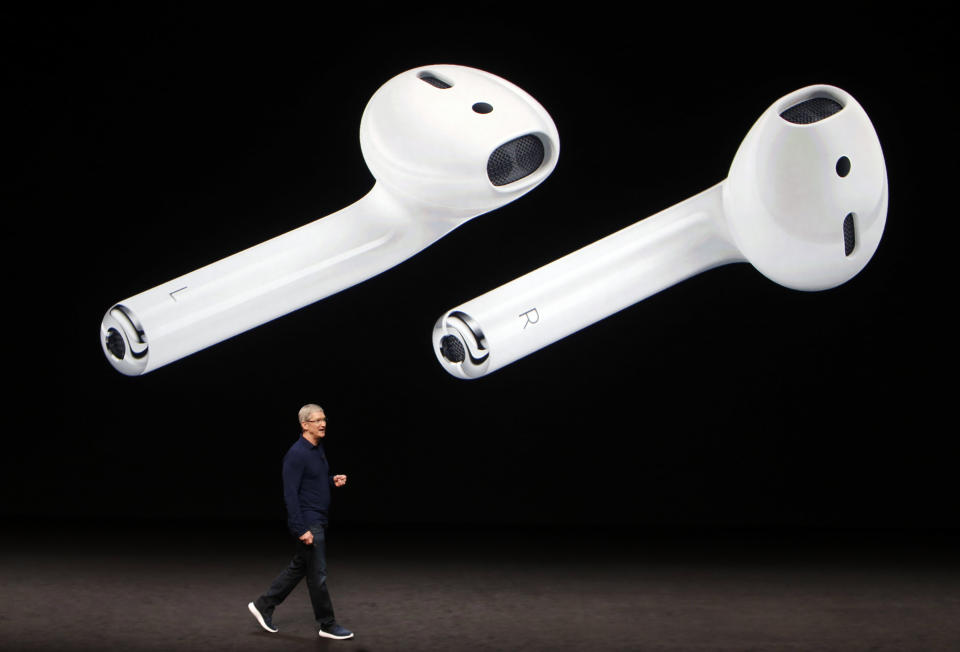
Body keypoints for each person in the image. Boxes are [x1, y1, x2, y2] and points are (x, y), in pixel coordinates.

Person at [248, 404, 354, 640]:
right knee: (318, 576)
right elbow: (290, 495)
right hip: (309, 523)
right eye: (317, 420)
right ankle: (327, 624)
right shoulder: (296, 454)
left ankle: (264, 605)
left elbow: (312, 482)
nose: (323, 423)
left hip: (317, 519)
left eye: (324, 419)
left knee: (299, 568)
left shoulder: (317, 449)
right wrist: (301, 529)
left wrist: (330, 481)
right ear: (304, 425)